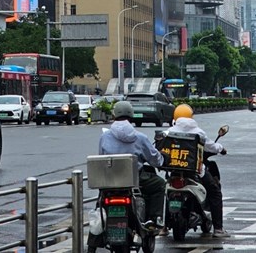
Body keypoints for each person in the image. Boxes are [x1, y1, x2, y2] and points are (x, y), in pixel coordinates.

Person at [166, 103, 230, 239]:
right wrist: (221, 148)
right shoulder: (198, 132)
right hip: (195, 171)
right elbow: (211, 146)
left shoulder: (169, 132)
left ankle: (163, 227)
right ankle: (218, 229)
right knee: (215, 192)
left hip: (175, 170)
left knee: (164, 193)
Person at [98, 99, 166, 228]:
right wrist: (162, 160)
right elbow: (154, 159)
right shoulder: (140, 137)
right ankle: (154, 219)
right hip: (136, 180)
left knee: (101, 198)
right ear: (131, 115)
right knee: (160, 184)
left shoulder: (104, 137)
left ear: (114, 115)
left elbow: (101, 158)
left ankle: (98, 226)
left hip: (111, 180)